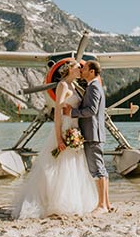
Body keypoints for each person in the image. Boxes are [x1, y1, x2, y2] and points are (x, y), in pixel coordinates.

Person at [11, 61, 98, 219]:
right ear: (69, 69)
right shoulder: (63, 86)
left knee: (73, 166)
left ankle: (70, 202)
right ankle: (52, 202)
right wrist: (59, 138)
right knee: (57, 165)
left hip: (75, 128)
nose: (81, 69)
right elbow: (58, 113)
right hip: (65, 128)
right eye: (78, 67)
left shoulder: (74, 86)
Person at [64, 60, 111, 215]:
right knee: (101, 169)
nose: (81, 71)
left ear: (92, 72)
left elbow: (91, 110)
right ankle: (107, 204)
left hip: (93, 134)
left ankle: (102, 205)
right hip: (94, 133)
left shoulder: (93, 87)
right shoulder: (94, 86)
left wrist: (71, 113)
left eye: (84, 69)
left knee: (97, 170)